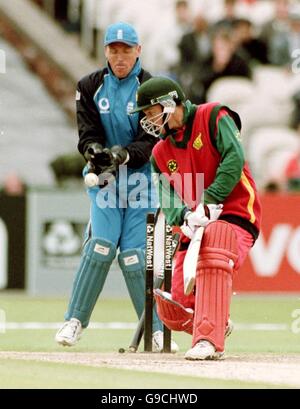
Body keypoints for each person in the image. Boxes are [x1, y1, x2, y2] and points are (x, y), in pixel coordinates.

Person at [55, 22, 178, 353]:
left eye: (126, 50)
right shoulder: (90, 86)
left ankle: (153, 328)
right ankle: (74, 320)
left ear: (138, 51)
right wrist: (94, 152)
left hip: (141, 180)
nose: (119, 56)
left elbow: (151, 140)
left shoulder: (152, 87)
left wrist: (123, 154)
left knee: (136, 257)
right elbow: (87, 133)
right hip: (105, 180)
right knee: (101, 246)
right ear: (105, 51)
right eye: (114, 49)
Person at [131, 76, 261, 360]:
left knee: (216, 245)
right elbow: (167, 197)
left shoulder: (214, 115)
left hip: (236, 212)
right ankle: (215, 322)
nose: (146, 120)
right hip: (196, 225)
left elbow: (234, 158)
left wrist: (210, 200)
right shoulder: (159, 153)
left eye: (149, 112)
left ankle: (208, 340)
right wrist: (187, 216)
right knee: (175, 307)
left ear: (168, 104)